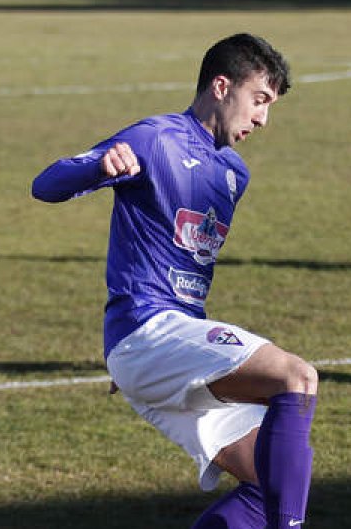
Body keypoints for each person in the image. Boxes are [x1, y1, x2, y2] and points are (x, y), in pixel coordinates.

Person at [32, 34, 318, 528]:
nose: (263, 119)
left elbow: (180, 265)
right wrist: (99, 166)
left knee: (269, 479)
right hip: (147, 330)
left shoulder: (234, 173)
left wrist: (156, 362)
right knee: (297, 378)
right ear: (222, 87)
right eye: (259, 100)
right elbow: (46, 185)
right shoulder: (155, 139)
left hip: (167, 346)